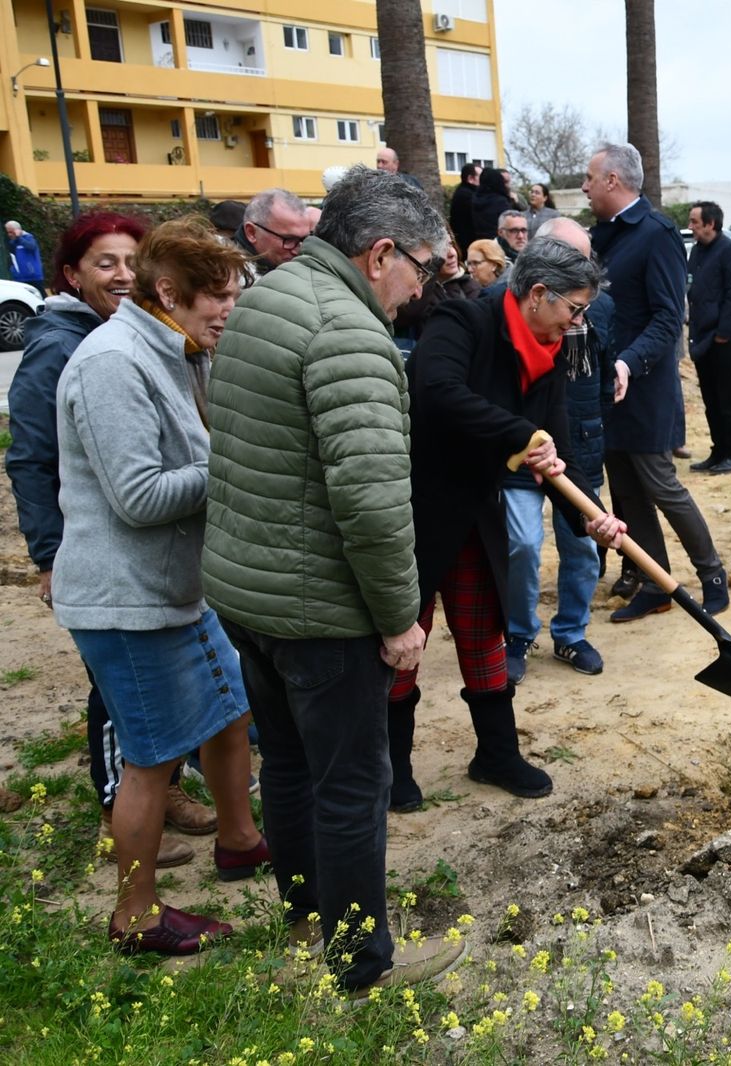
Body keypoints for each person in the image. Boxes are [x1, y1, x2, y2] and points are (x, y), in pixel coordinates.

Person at [205, 167, 458, 993]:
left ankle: (306, 911)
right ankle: (360, 963)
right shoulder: (349, 335)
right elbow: (374, 504)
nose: (420, 289)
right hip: (319, 607)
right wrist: (397, 618)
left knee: (286, 763)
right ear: (379, 252)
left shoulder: (269, 299)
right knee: (353, 784)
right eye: (420, 268)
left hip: (251, 593)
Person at [53, 216, 265, 955]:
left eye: (234, 298)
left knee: (231, 710)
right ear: (168, 292)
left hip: (179, 588)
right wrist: (234, 465)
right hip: (126, 600)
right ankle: (136, 917)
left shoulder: (177, 348)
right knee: (151, 759)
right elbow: (139, 497)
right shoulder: (113, 363)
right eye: (217, 300)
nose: (227, 314)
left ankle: (239, 840)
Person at [6, 210, 214, 868]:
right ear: (71, 273)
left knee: (163, 711)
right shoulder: (76, 351)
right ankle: (117, 827)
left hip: (149, 562)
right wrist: (48, 554)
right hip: (105, 563)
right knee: (121, 704)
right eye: (106, 263)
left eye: (131, 262)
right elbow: (35, 459)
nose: (123, 275)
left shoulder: (152, 343)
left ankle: (161, 799)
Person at [389, 237, 623, 810]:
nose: (577, 322)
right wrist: (520, 435)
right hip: (414, 511)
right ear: (538, 294)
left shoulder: (548, 353)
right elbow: (438, 393)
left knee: (484, 631)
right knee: (402, 640)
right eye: (575, 308)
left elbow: (557, 448)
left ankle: (495, 753)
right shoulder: (462, 319)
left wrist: (590, 516)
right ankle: (391, 768)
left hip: (475, 509)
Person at [583, 143, 728, 621]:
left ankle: (712, 574)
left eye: (589, 178)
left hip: (643, 386)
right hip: (606, 385)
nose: (583, 186)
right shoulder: (598, 237)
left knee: (662, 486)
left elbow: (669, 318)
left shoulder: (657, 233)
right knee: (625, 488)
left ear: (612, 181)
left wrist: (628, 363)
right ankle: (655, 582)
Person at [503, 217, 611, 684]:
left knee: (584, 544)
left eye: (583, 259)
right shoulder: (506, 312)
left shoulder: (592, 307)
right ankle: (519, 634)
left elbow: (605, 367)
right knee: (523, 543)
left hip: (580, 442)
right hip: (522, 450)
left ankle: (571, 632)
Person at [686, 200, 731, 474]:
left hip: (722, 339)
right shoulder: (697, 252)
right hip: (701, 338)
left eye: (695, 222)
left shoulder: (730, 251)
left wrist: (723, 334)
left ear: (711, 224)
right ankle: (718, 450)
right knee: (711, 401)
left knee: (726, 399)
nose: (690, 227)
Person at [394, 239, 479, 351]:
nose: (451, 253)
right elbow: (407, 315)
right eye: (440, 249)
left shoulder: (470, 286)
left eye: (451, 244)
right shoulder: (417, 290)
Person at [236, 188, 311, 278]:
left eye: (304, 239)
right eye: (289, 240)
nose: (298, 250)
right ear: (251, 233)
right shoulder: (228, 280)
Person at [473, 167, 522, 244]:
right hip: (499, 242)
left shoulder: (475, 199)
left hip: (480, 241)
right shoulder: (500, 201)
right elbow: (511, 221)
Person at [5, 221, 45, 295]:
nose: (9, 235)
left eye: (11, 232)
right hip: (20, 278)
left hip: (33, 276)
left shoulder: (29, 238)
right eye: (8, 232)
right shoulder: (13, 242)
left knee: (40, 296)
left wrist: (19, 237)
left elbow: (32, 246)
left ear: (17, 230)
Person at [450, 162, 481, 252]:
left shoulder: (466, 192)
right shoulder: (467, 196)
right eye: (481, 176)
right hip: (468, 245)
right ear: (471, 179)